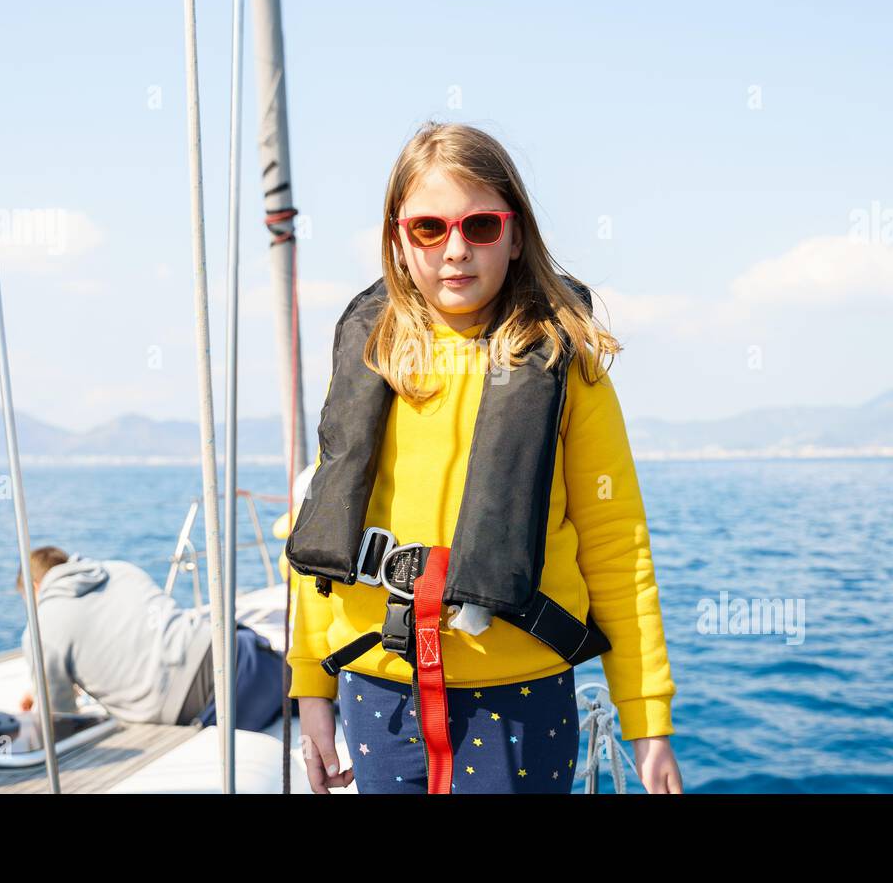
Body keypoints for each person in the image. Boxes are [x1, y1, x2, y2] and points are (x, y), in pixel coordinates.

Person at [284, 121, 683, 794]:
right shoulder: (372, 355)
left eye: (482, 227)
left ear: (516, 233)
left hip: (519, 698)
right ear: (397, 239)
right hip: (378, 695)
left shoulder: (566, 364)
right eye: (429, 229)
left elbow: (618, 546)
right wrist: (311, 690)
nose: (456, 251)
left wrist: (647, 723)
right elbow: (321, 527)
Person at [17, 546, 283, 731]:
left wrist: (45, 692)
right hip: (241, 655)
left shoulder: (40, 627)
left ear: (35, 588)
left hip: (206, 703)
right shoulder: (118, 570)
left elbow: (60, 720)